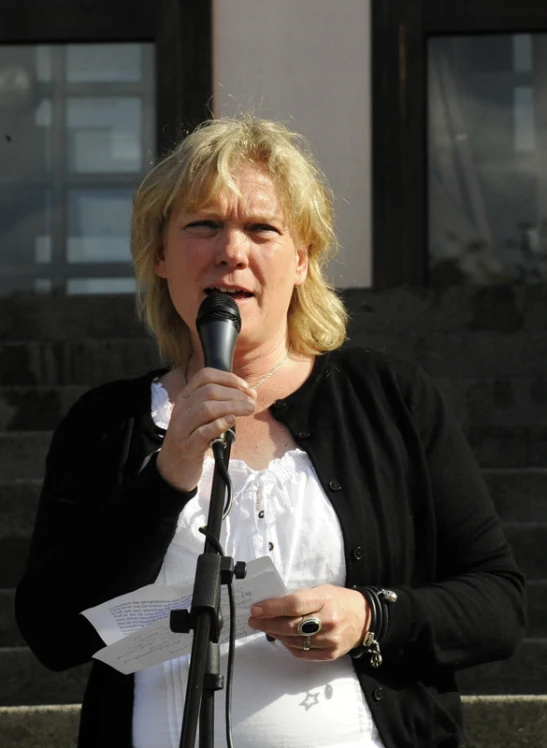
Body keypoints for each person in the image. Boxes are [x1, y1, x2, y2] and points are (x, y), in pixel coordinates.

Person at [15, 116, 525, 748]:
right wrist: (168, 474)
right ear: (160, 256)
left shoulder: (392, 399)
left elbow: (497, 603)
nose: (233, 251)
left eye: (262, 228)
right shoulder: (105, 424)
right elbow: (55, 633)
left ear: (303, 259)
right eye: (203, 225)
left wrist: (371, 614)